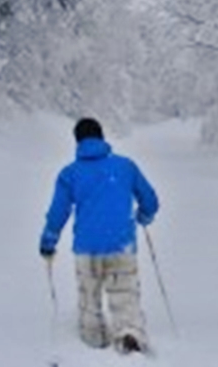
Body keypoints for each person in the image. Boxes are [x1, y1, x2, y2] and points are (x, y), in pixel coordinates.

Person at [39, 117, 159, 354]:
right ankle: (128, 335)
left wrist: (48, 241)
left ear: (77, 141)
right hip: (121, 244)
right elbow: (150, 201)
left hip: (87, 248)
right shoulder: (125, 166)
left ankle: (93, 341)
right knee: (125, 296)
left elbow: (57, 212)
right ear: (102, 137)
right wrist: (143, 217)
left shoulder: (70, 174)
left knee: (89, 298)